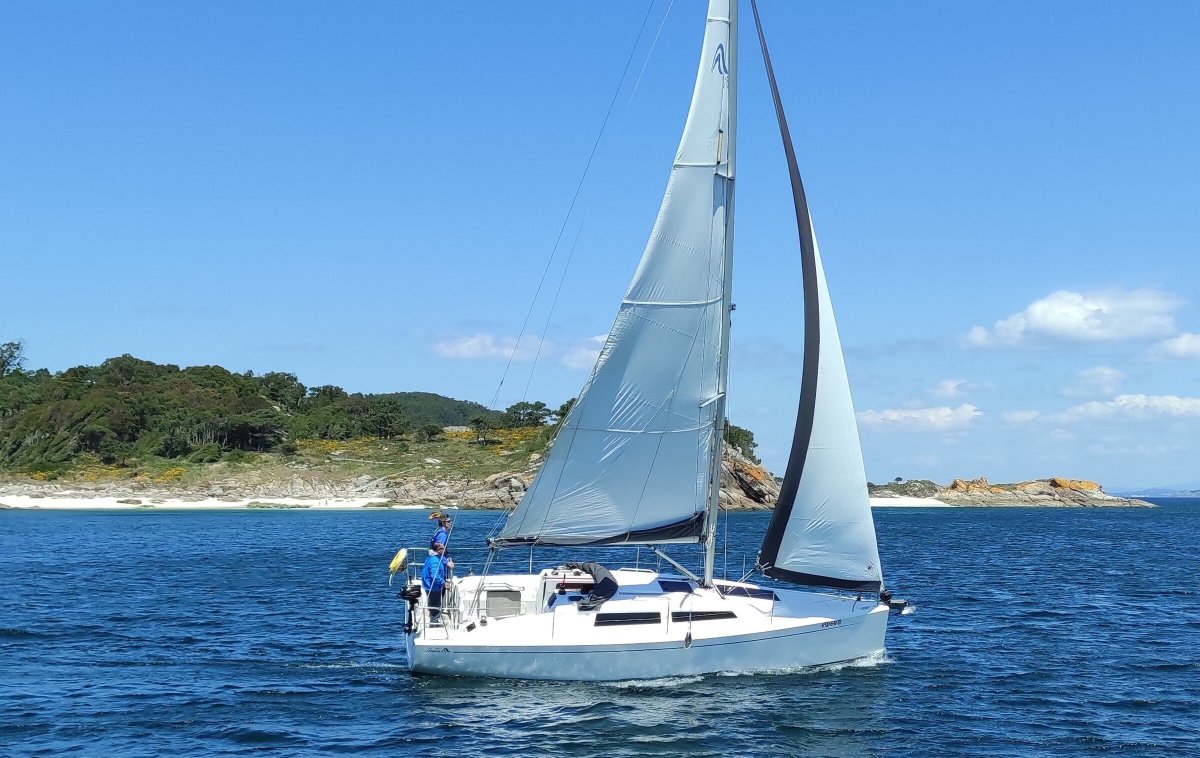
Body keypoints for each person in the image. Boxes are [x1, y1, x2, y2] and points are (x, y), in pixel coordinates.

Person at [421, 543, 454, 624]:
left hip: (432, 585)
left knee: (435, 602)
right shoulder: (434, 561)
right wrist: (443, 582)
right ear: (438, 550)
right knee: (435, 604)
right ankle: (434, 622)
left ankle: (435, 617)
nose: (445, 549)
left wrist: (447, 562)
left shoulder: (435, 556)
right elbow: (434, 575)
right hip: (433, 586)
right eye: (443, 548)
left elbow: (443, 559)